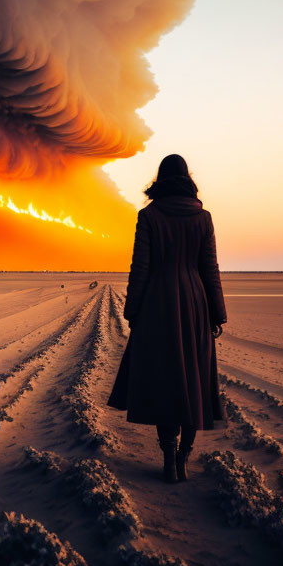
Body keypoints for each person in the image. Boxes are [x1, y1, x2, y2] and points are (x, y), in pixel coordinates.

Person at [106, 154, 228, 483]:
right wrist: (218, 312)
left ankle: (168, 460)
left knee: (165, 382)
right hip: (194, 303)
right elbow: (210, 269)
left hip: (158, 303)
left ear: (159, 179)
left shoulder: (149, 216)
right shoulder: (204, 218)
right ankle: (183, 459)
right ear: (188, 179)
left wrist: (133, 310)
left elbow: (140, 268)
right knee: (193, 380)